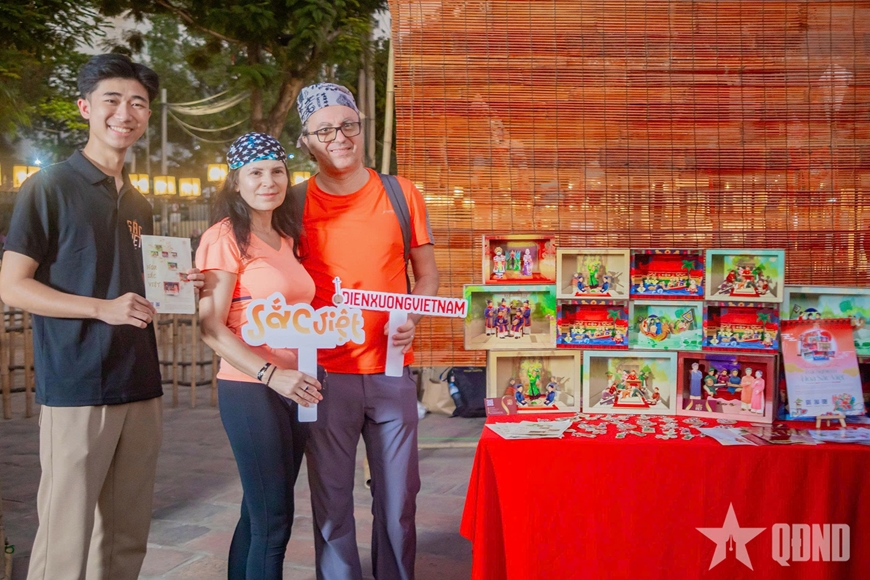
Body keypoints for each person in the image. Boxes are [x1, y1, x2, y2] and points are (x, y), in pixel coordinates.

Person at [0, 53, 203, 580]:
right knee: (65, 539)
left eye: (138, 103)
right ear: (85, 107)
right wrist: (101, 308)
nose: (125, 113)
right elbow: (12, 285)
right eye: (112, 100)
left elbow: (131, 286)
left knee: (126, 537)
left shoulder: (139, 203)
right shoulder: (49, 186)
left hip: (140, 380)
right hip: (77, 384)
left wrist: (179, 286)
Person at [294, 83, 439, 580]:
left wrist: (412, 317)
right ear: (306, 140)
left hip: (391, 371)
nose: (339, 137)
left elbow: (427, 276)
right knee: (331, 501)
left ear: (362, 128)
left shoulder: (401, 193)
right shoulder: (293, 202)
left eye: (348, 125)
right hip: (322, 375)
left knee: (399, 499)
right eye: (324, 130)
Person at [196, 132, 323, 579]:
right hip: (252, 388)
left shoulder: (286, 236)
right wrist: (272, 374)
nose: (268, 181)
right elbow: (211, 326)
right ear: (236, 181)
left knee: (258, 513)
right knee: (275, 523)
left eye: (276, 171)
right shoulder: (223, 237)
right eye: (255, 173)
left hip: (298, 387)